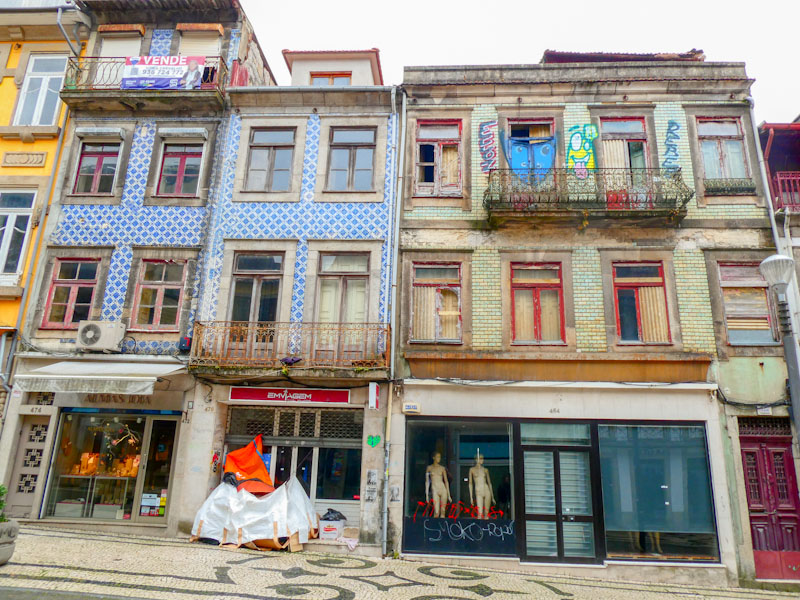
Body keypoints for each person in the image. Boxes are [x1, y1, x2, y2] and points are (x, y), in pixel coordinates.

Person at [469, 450, 495, 519]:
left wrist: (492, 496)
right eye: (480, 458)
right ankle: (479, 529)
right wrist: (471, 497)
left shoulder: (485, 470)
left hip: (486, 490)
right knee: (479, 514)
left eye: (482, 458)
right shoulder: (472, 470)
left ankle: (487, 528)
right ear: (476, 459)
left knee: (486, 513)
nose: (482, 460)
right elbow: (470, 484)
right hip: (478, 491)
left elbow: (489, 483)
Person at [425, 451, 451, 518]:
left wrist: (449, 495)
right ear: (433, 458)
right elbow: (427, 481)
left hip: (443, 489)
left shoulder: (442, 468)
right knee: (436, 512)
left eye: (440, 457)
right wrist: (427, 495)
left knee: (443, 511)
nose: (439, 459)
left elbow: (446, 481)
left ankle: (442, 527)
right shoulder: (429, 468)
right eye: (437, 457)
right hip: (435, 489)